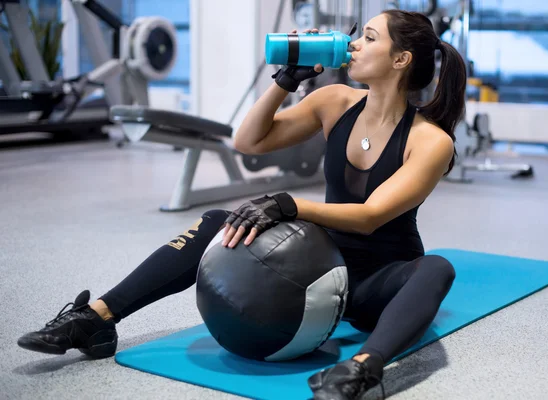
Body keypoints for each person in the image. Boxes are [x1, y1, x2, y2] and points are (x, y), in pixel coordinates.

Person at [17, 10, 466, 400]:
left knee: (437, 268)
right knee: (218, 221)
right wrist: (284, 82)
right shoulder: (334, 101)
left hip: (377, 288)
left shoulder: (431, 141)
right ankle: (95, 319)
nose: (353, 43)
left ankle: (361, 369)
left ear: (401, 59)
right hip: (319, 266)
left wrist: (291, 204)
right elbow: (249, 140)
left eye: (369, 37)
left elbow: (370, 217)